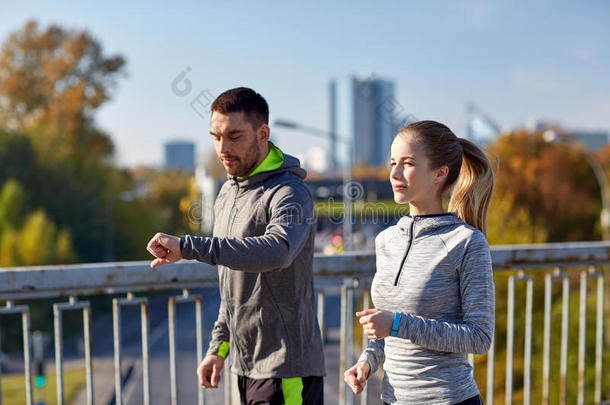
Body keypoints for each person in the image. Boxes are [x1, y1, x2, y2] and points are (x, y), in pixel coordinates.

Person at [146, 87, 325, 404]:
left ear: (262, 133)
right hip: (244, 368)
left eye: (234, 136)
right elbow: (233, 288)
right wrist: (218, 348)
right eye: (216, 136)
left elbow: (278, 251)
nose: (222, 148)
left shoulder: (289, 192)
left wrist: (188, 246)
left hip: (287, 371)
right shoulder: (228, 193)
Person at [344, 120, 495, 405]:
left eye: (408, 163)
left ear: (440, 173)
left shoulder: (466, 242)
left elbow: (479, 337)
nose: (394, 173)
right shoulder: (386, 240)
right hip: (392, 399)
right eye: (392, 163)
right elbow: (387, 327)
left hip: (448, 399)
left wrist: (398, 324)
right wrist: (367, 360)